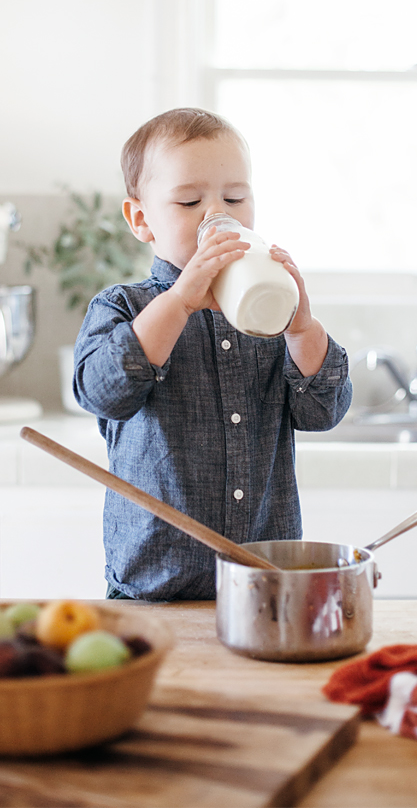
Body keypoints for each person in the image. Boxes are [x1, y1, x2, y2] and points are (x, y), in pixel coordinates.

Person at [73, 107, 352, 600]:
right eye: (188, 201)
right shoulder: (123, 306)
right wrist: (179, 301)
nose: (216, 215)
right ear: (141, 219)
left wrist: (301, 327)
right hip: (154, 588)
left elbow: (322, 411)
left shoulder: (268, 313)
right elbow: (102, 392)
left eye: (235, 197)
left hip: (263, 583)